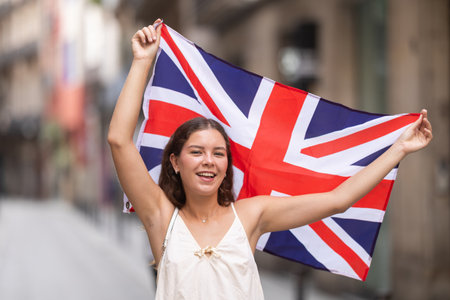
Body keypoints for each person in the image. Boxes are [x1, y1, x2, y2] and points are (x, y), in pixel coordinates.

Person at [107, 19, 433, 299]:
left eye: (218, 153)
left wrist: (398, 149)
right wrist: (141, 61)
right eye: (197, 152)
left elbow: (338, 200)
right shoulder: (160, 217)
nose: (209, 160)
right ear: (176, 163)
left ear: (227, 166)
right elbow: (119, 141)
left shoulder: (252, 215)